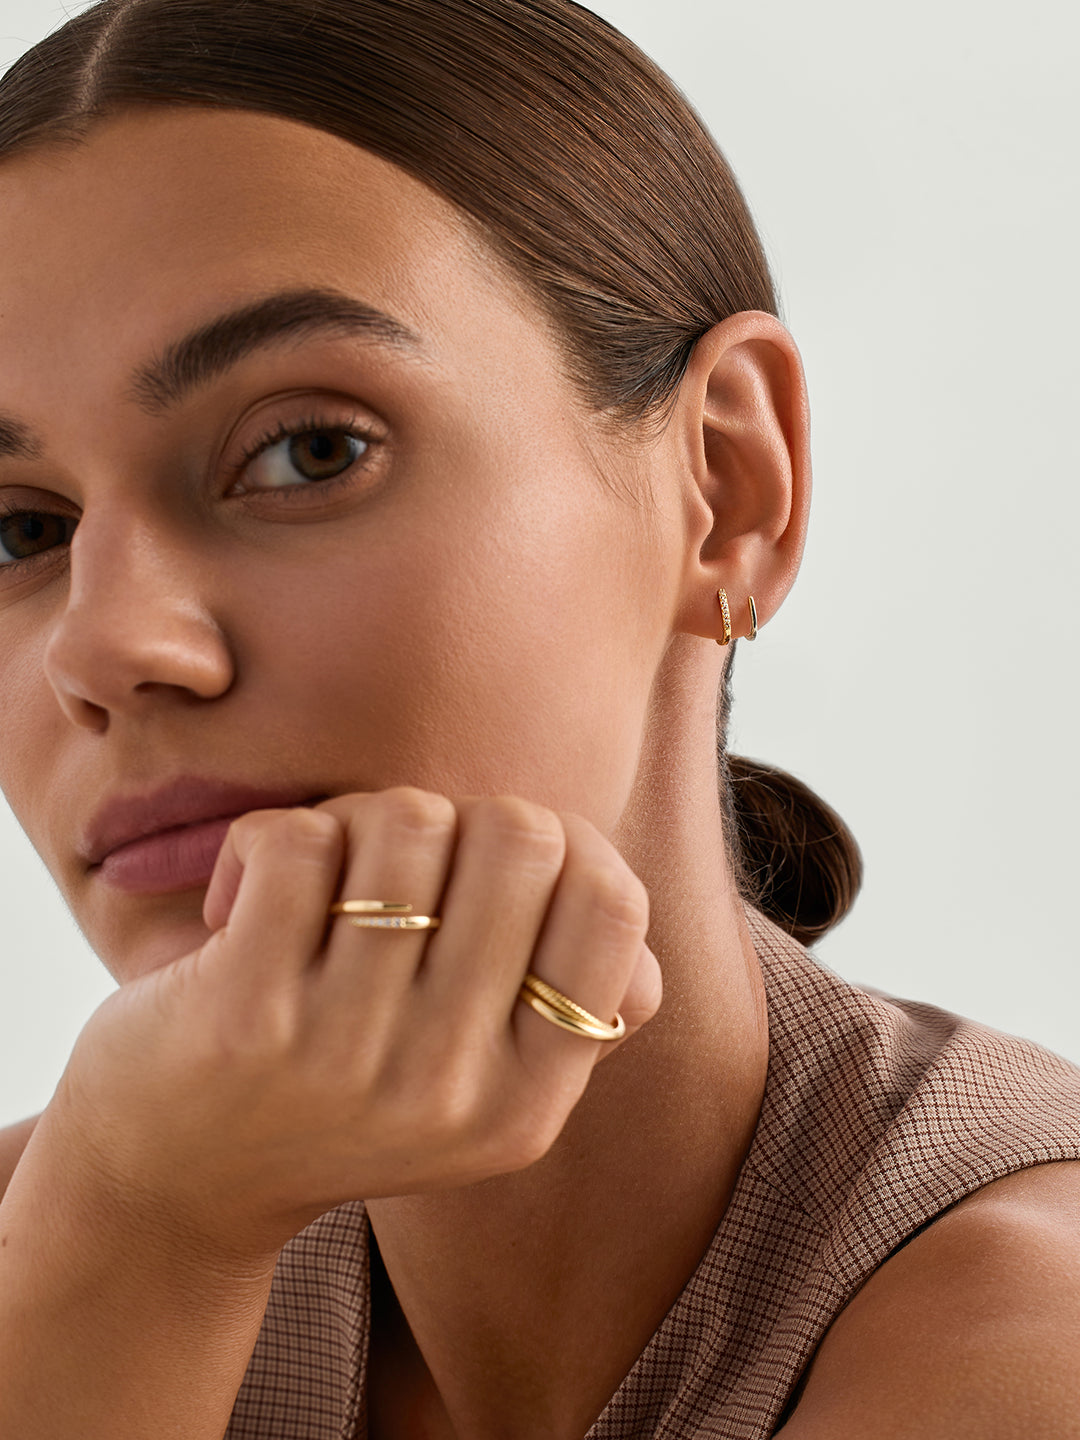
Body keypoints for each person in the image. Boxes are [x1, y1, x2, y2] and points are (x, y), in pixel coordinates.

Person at [0, 0, 1078, 1435]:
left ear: (728, 487)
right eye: (20, 531)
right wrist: (136, 1225)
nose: (104, 646)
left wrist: (144, 1242)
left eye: (309, 450)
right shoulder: (67, 1221)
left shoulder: (1032, 1342)